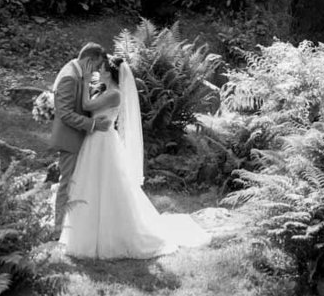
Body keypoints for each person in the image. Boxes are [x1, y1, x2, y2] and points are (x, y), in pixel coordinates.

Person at [61, 54, 211, 259]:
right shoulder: (104, 90)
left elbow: (87, 106)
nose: (98, 72)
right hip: (93, 141)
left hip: (104, 143)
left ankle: (114, 235)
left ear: (110, 73)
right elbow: (87, 108)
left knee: (107, 186)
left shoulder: (114, 94)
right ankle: (84, 232)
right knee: (89, 184)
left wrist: (86, 81)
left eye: (101, 70)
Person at [49, 42, 111, 236]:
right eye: (95, 66)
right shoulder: (69, 77)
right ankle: (57, 229)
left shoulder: (80, 73)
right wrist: (93, 124)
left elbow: (88, 101)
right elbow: (65, 114)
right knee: (67, 184)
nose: (96, 71)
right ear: (88, 60)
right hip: (70, 139)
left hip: (82, 138)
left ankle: (77, 227)